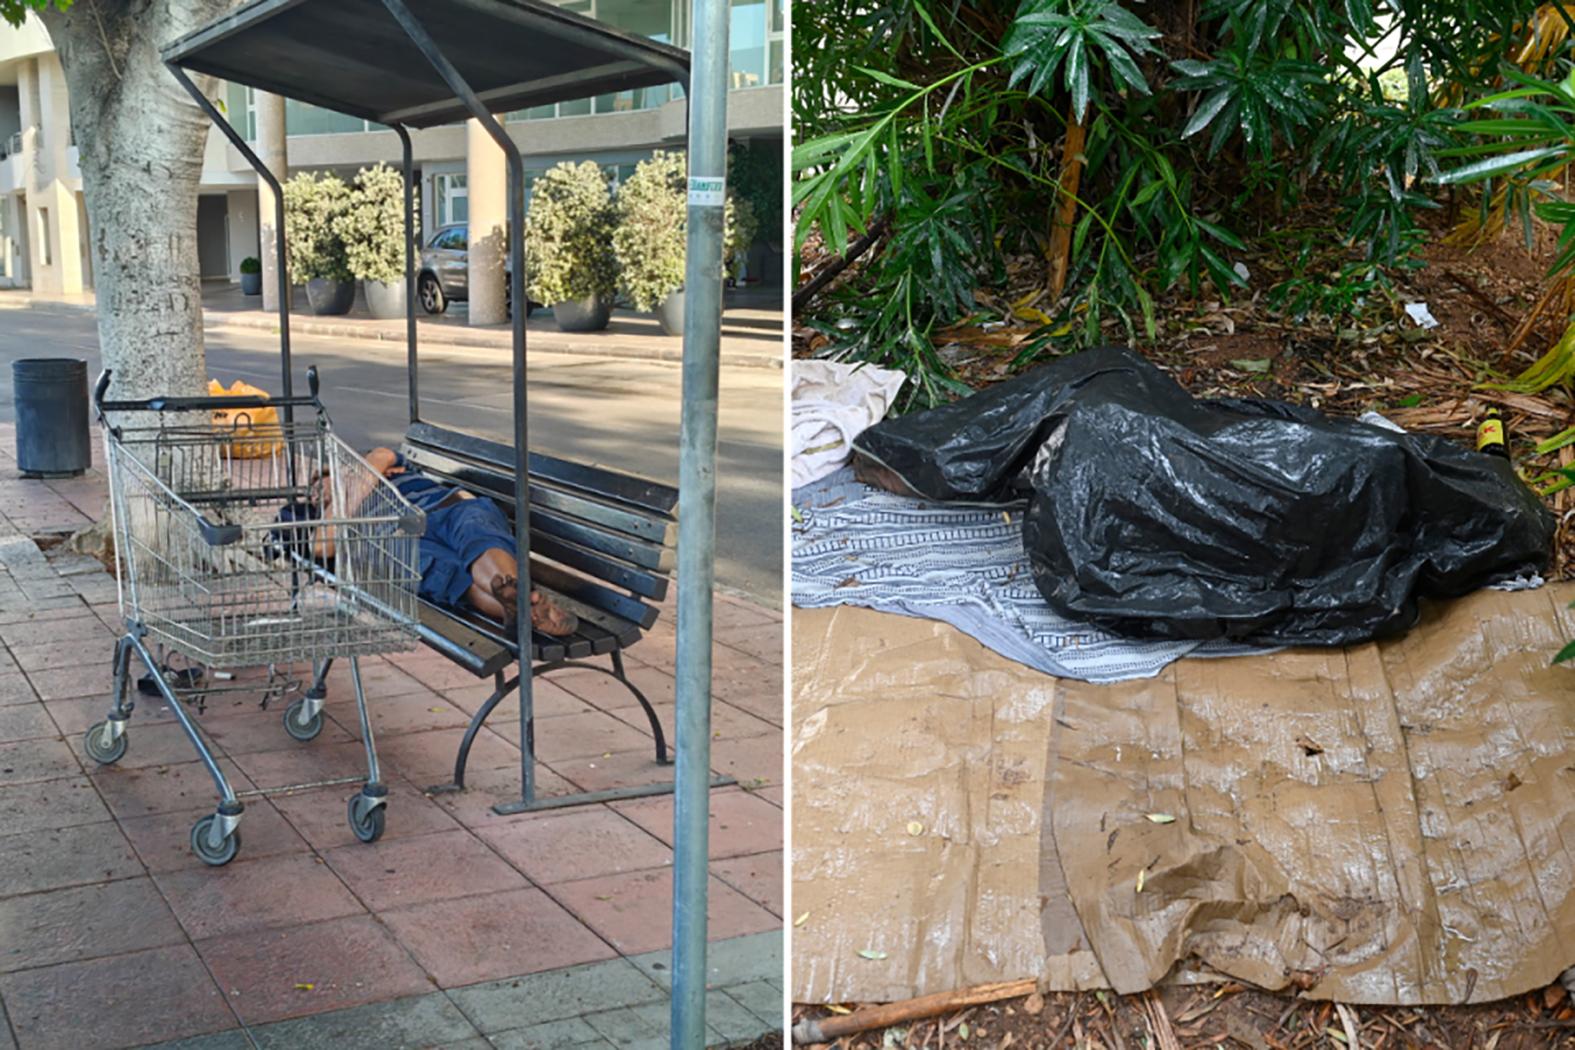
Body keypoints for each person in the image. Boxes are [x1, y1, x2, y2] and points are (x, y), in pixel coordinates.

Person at [306, 446, 578, 636]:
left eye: (319, 485)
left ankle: (519, 600)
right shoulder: (342, 505)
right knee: (446, 574)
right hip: (398, 540)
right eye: (314, 497)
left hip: (447, 508)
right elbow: (321, 546)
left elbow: (382, 454)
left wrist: (354, 479)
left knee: (477, 533)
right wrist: (344, 493)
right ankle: (520, 610)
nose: (316, 495)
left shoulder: (387, 467)